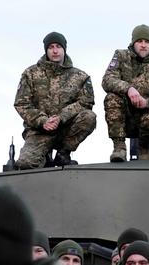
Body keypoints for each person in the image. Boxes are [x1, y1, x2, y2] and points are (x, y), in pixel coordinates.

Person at [14, 31, 97, 169]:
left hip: (65, 129)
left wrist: (61, 117)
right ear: (46, 50)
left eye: (58, 46)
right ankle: (44, 156)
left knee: (89, 117)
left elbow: (86, 102)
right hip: (40, 131)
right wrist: (43, 121)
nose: (55, 50)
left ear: (64, 49)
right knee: (25, 164)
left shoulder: (80, 76)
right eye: (51, 47)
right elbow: (22, 103)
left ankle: (63, 154)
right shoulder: (30, 74)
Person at [103, 25, 149, 162]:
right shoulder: (121, 56)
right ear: (133, 43)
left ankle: (144, 147)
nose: (143, 45)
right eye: (139, 41)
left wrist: (146, 102)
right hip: (124, 116)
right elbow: (107, 80)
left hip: (147, 117)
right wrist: (128, 89)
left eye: (147, 42)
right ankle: (119, 147)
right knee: (111, 98)